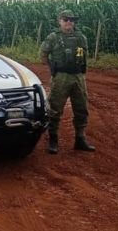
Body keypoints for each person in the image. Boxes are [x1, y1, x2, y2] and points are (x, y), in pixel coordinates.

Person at [39, 9, 95, 154]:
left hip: (78, 76)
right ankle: (53, 139)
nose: (69, 22)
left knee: (81, 108)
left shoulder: (81, 37)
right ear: (60, 21)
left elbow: (84, 56)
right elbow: (43, 54)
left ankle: (80, 138)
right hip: (61, 77)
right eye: (66, 19)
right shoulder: (53, 37)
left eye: (71, 20)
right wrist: (53, 69)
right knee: (55, 108)